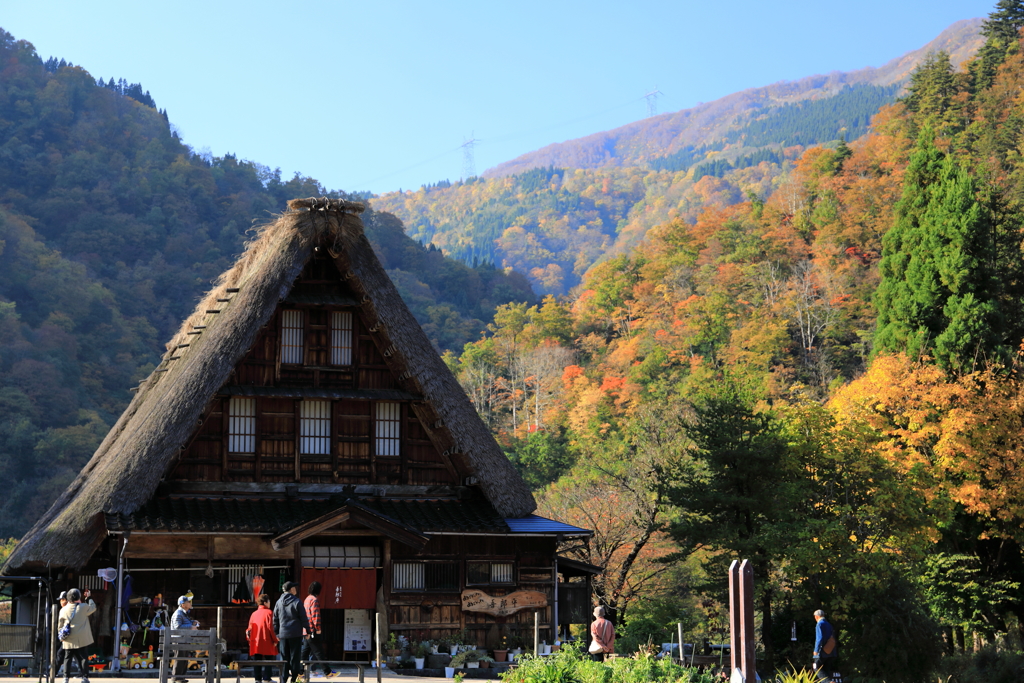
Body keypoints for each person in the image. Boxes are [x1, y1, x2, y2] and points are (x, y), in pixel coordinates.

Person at [273, 581, 309, 683]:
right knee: (295, 657)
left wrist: (276, 633)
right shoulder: (297, 601)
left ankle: (284, 678)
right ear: (291, 589)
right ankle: (294, 678)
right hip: (296, 633)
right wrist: (308, 630)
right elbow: (303, 618)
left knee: (284, 657)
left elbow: (275, 619)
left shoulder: (278, 602)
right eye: (294, 587)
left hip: (283, 634)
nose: (296, 589)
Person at [58, 588, 96, 683]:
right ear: (79, 597)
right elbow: (93, 607)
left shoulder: (63, 609)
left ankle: (65, 678)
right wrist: (89, 597)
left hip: (69, 638)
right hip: (81, 638)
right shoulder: (83, 607)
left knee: (67, 658)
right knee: (83, 658)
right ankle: (85, 678)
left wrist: (61, 636)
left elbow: (60, 625)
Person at [301, 582, 333, 678]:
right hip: (312, 630)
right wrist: (318, 628)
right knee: (319, 652)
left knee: (305, 652)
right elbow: (315, 615)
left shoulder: (307, 599)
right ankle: (328, 672)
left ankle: (299, 672)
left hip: (306, 629)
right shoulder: (314, 600)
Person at [246, 595, 278, 683]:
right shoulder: (269, 613)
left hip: (255, 640)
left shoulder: (254, 614)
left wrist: (249, 640)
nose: (270, 603)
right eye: (269, 601)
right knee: (269, 659)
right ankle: (267, 678)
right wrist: (275, 640)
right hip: (266, 639)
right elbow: (271, 628)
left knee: (257, 659)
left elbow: (249, 629)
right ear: (265, 602)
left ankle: (257, 679)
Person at [171, 595, 200, 683]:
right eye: (188, 602)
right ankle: (176, 678)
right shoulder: (178, 613)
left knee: (183, 659)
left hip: (184, 640)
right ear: (183, 604)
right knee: (180, 659)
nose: (190, 603)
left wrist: (193, 622)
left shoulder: (184, 613)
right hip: (179, 640)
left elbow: (184, 623)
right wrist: (191, 627)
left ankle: (181, 677)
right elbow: (177, 627)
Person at [812, 609, 837, 680]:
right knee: (826, 669)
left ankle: (828, 682)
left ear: (816, 617)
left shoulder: (819, 624)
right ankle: (829, 681)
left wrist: (816, 650)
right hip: (831, 651)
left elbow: (819, 638)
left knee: (816, 667)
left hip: (822, 651)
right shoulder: (829, 624)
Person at [51, 592, 68, 679]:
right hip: (67, 636)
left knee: (60, 654)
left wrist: (61, 635)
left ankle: (54, 673)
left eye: (62, 600)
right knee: (77, 655)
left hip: (67, 636)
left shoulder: (65, 610)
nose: (60, 602)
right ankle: (83, 674)